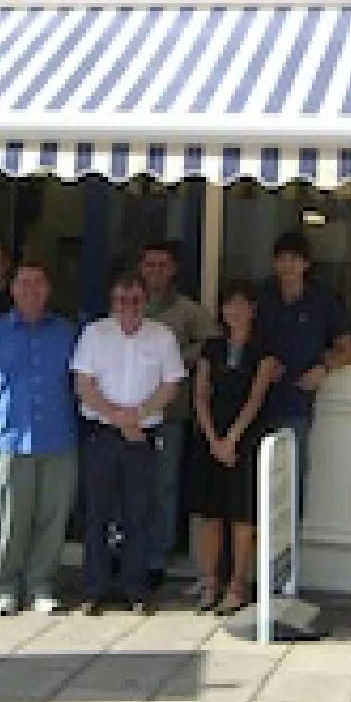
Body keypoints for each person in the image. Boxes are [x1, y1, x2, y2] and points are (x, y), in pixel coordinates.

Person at [0, 262, 78, 616]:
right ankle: (7, 587)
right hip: (11, 440)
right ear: (12, 290)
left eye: (38, 283)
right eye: (24, 283)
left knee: (52, 518)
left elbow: (80, 381)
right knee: (11, 519)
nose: (31, 290)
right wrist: (6, 411)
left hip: (58, 437)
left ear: (48, 290)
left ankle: (41, 585)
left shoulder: (66, 333)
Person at [72, 272, 185, 616]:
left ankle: (135, 589)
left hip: (142, 435)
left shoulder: (162, 336)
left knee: (139, 515)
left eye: (135, 299)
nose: (129, 306)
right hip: (102, 433)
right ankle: (93, 589)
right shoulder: (94, 334)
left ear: (145, 301)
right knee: (97, 515)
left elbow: (170, 386)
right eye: (122, 299)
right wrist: (118, 417)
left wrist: (137, 415)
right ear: (112, 302)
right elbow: (83, 385)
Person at [191, 280, 280, 615]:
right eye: (229, 304)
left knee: (243, 513)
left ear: (253, 309)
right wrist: (213, 438)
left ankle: (237, 584)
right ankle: (210, 582)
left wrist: (232, 438)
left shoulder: (265, 349)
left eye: (242, 304)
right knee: (210, 512)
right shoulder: (211, 348)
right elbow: (201, 395)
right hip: (211, 436)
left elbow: (256, 398)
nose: (235, 311)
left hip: (247, 436)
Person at [256, 231, 351, 518]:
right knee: (252, 482)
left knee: (290, 477)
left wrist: (324, 368)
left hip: (295, 403)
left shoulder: (322, 302)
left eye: (294, 259)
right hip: (253, 402)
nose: (287, 266)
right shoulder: (261, 297)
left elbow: (348, 349)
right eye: (281, 259)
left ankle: (289, 544)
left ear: (306, 264)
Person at [138, 241, 219, 588]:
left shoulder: (187, 311)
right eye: (150, 264)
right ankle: (126, 551)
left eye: (162, 265)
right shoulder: (130, 303)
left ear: (173, 270)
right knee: (129, 484)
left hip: (170, 412)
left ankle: (157, 557)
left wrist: (179, 356)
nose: (156, 271)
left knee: (164, 485)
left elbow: (214, 342)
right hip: (127, 412)